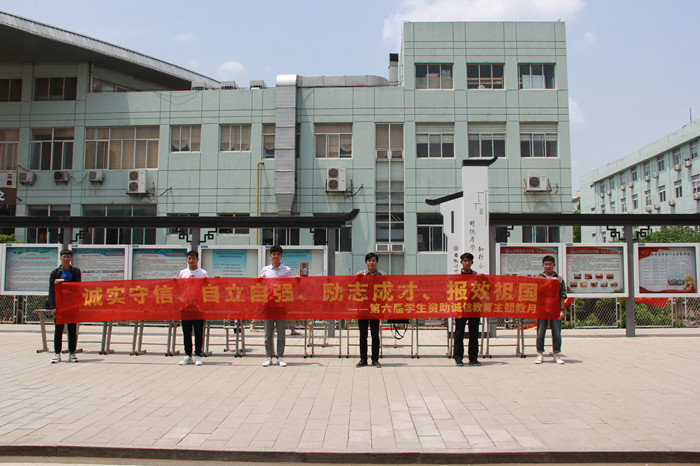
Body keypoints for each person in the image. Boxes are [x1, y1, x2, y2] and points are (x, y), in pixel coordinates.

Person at [259, 245, 293, 367]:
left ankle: (280, 357)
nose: (276, 256)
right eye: (274, 254)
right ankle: (269, 356)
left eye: (278, 254)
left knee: (281, 333)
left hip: (281, 306)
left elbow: (292, 285)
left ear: (281, 256)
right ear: (270, 256)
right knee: (268, 334)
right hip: (268, 306)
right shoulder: (265, 270)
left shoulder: (286, 270)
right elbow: (259, 286)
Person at [46, 249, 82, 364]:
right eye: (64, 256)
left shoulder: (75, 271)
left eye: (68, 257)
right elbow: (52, 290)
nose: (66, 259)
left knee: (72, 330)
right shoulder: (55, 273)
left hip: (71, 304)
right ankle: (57, 353)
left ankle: (72, 353)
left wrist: (62, 281)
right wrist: (53, 306)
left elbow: (77, 286)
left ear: (71, 258)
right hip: (59, 305)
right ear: (60, 258)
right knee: (58, 330)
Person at [535, 255, 567, 365]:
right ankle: (540, 353)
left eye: (550, 264)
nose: (548, 266)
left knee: (557, 333)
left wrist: (562, 310)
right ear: (543, 265)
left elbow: (562, 296)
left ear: (554, 265)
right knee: (540, 332)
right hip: (542, 309)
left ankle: (556, 354)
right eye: (546, 264)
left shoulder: (560, 279)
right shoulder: (538, 277)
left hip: (555, 309)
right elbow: (535, 292)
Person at [178, 250, 208, 366]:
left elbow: (207, 288)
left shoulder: (203, 273)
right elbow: (179, 288)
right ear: (187, 259)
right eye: (189, 258)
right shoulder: (183, 273)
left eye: (193, 258)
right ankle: (188, 355)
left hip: (198, 307)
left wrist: (205, 282)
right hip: (186, 306)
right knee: (186, 332)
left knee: (198, 332)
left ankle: (198, 355)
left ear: (197, 259)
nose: (191, 261)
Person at [453, 252, 481, 366]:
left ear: (472, 262)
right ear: (461, 262)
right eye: (465, 261)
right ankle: (458, 358)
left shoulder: (477, 276)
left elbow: (485, 289)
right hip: (461, 309)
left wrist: (482, 278)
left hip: (474, 309)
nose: (467, 263)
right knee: (459, 335)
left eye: (469, 261)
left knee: (474, 335)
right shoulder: (457, 277)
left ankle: (473, 358)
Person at [356, 252, 382, 368]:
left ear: (377, 262)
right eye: (369, 261)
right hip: (362, 308)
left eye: (373, 260)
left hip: (375, 309)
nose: (371, 263)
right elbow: (350, 286)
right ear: (366, 262)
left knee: (375, 335)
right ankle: (363, 359)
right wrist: (357, 278)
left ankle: (375, 359)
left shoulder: (380, 276)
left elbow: (386, 291)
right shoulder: (360, 274)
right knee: (363, 336)